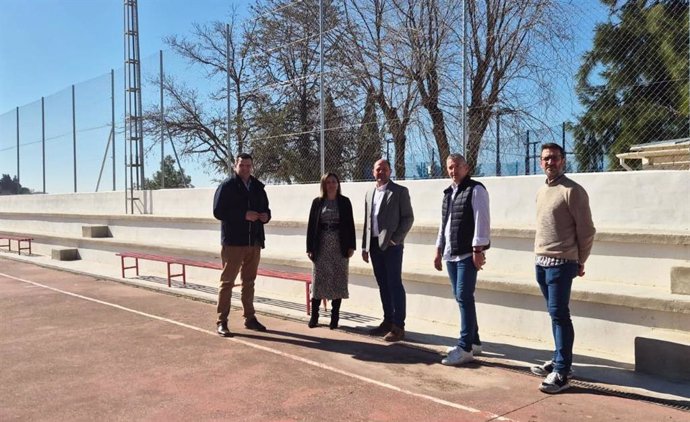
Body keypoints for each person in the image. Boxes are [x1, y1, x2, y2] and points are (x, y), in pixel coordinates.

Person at [531, 143, 595, 394]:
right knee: (554, 314)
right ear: (540, 162)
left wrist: (581, 259)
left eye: (555, 158)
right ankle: (559, 359)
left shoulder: (573, 191)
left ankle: (562, 371)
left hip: (562, 263)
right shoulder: (541, 191)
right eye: (546, 158)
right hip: (541, 262)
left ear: (563, 161)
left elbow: (587, 230)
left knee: (560, 315)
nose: (550, 162)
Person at [433, 154, 490, 366]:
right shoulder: (448, 193)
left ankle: (465, 347)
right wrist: (438, 249)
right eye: (449, 167)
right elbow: (444, 223)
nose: (453, 170)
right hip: (450, 252)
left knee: (464, 295)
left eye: (457, 166)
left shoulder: (476, 189)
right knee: (461, 297)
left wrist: (478, 249)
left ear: (466, 168)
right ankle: (474, 341)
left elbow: (481, 220)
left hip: (467, 253)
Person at [213, 152, 271, 337]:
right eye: (242, 165)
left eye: (248, 165)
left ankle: (250, 318)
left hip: (254, 242)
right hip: (234, 243)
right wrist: (243, 215)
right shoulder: (227, 186)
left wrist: (266, 217)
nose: (245, 168)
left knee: (249, 282)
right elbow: (218, 211)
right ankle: (222, 321)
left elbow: (266, 209)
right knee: (227, 282)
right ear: (235, 166)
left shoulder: (258, 187)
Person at [362, 159, 414, 342]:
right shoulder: (369, 193)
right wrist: (364, 247)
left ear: (390, 171)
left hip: (392, 246)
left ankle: (399, 326)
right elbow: (367, 222)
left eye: (384, 169)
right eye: (378, 169)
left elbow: (408, 218)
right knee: (382, 284)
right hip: (374, 245)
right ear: (373, 171)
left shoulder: (400, 191)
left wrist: (395, 239)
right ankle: (388, 321)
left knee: (394, 284)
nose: (381, 172)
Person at [306, 173, 357, 329]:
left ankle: (335, 318)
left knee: (337, 280)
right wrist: (309, 248)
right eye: (328, 182)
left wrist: (351, 246)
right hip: (321, 245)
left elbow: (350, 225)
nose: (331, 184)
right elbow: (311, 226)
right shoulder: (317, 202)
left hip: (339, 245)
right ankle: (315, 316)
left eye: (334, 181)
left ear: (338, 184)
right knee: (319, 280)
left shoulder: (345, 202)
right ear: (324, 184)